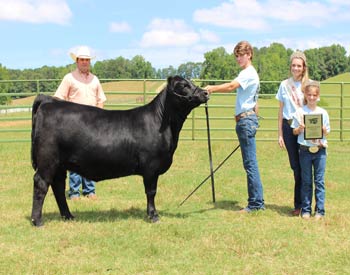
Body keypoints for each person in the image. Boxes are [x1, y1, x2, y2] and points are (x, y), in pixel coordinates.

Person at [205, 41, 264, 213]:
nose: (239, 58)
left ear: (249, 54)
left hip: (245, 121)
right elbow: (255, 101)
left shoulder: (248, 73)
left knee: (250, 164)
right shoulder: (249, 73)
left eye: (241, 55)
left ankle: (255, 204)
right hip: (247, 120)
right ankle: (257, 202)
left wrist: (212, 88)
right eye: (237, 56)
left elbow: (231, 86)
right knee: (250, 163)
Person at [54, 45, 107, 200]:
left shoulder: (94, 80)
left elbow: (100, 100)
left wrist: (99, 118)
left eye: (87, 60)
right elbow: (58, 99)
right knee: (75, 157)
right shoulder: (69, 78)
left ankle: (90, 190)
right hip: (74, 125)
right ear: (76, 61)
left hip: (93, 125)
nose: (85, 62)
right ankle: (74, 191)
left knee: (92, 156)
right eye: (82, 60)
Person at [275, 51, 309, 216]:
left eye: (299, 66)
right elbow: (281, 111)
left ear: (303, 68)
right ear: (291, 67)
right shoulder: (284, 85)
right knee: (295, 167)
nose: (296, 68)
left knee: (306, 166)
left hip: (304, 128)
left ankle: (307, 205)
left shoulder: (308, 85)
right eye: (293, 65)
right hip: (289, 129)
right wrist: (280, 133)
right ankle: (298, 205)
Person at [291, 80, 330, 220]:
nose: (312, 97)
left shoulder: (323, 113)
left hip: (320, 150)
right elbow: (294, 132)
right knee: (306, 181)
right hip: (305, 150)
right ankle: (306, 209)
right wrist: (299, 129)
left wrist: (324, 131)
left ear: (318, 96)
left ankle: (320, 210)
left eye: (314, 95)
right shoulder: (300, 112)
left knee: (319, 181)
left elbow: (327, 132)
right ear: (305, 95)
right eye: (309, 95)